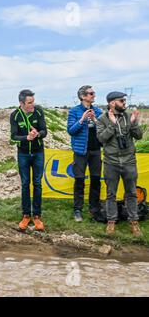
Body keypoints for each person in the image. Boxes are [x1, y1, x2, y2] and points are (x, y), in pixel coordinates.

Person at [96, 92, 144, 237]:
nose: (124, 102)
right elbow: (101, 139)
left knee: (131, 193)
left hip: (129, 161)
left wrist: (134, 123)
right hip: (111, 162)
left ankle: (134, 222)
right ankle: (111, 221)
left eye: (124, 100)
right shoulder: (102, 119)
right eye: (121, 101)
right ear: (112, 103)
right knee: (111, 193)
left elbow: (139, 135)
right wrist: (111, 124)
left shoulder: (128, 116)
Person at [10, 89, 47, 232]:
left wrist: (37, 134)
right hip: (23, 154)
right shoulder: (15, 115)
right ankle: (26, 215)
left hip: (38, 152)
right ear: (21, 103)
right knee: (25, 184)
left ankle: (37, 215)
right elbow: (13, 137)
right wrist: (26, 137)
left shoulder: (38, 111)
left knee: (37, 183)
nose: (32, 105)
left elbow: (45, 131)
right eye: (29, 103)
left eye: (33, 102)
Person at [67, 86, 103, 222]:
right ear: (83, 96)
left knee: (95, 181)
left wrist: (94, 120)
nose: (94, 95)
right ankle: (77, 210)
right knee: (79, 180)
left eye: (94, 93)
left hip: (95, 151)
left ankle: (94, 209)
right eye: (91, 93)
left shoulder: (98, 111)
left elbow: (104, 130)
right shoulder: (74, 111)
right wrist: (82, 119)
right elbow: (71, 130)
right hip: (80, 152)